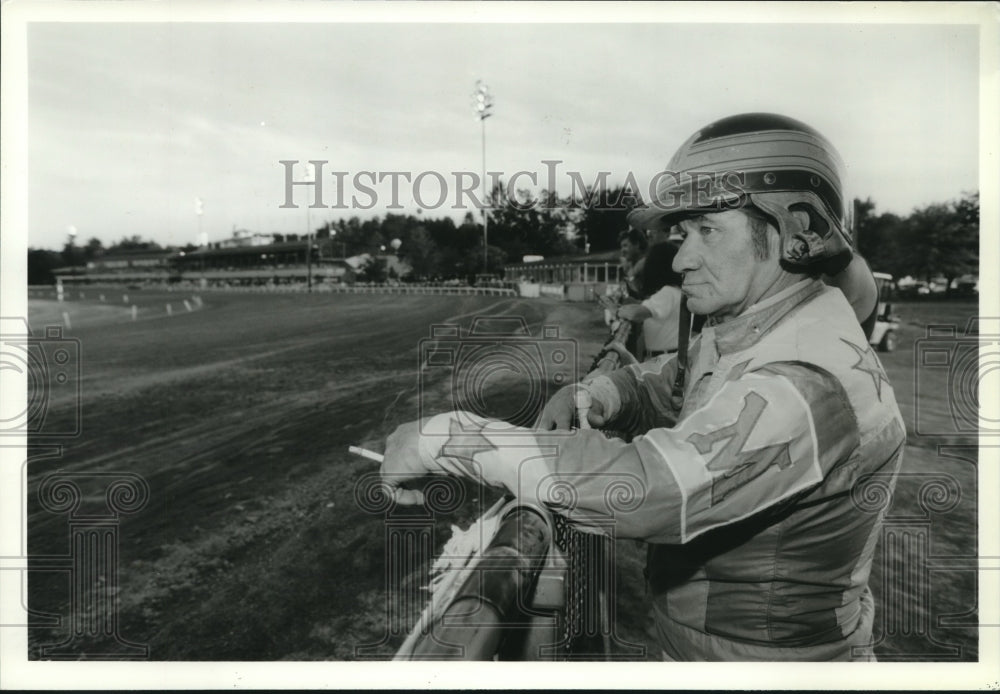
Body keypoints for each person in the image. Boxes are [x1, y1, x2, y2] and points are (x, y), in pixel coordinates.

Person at [380, 113, 904, 661]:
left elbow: (650, 488)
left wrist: (444, 438)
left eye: (707, 230)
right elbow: (674, 380)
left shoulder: (806, 381)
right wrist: (597, 396)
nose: (680, 260)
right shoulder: (764, 328)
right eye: (683, 234)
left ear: (795, 232)